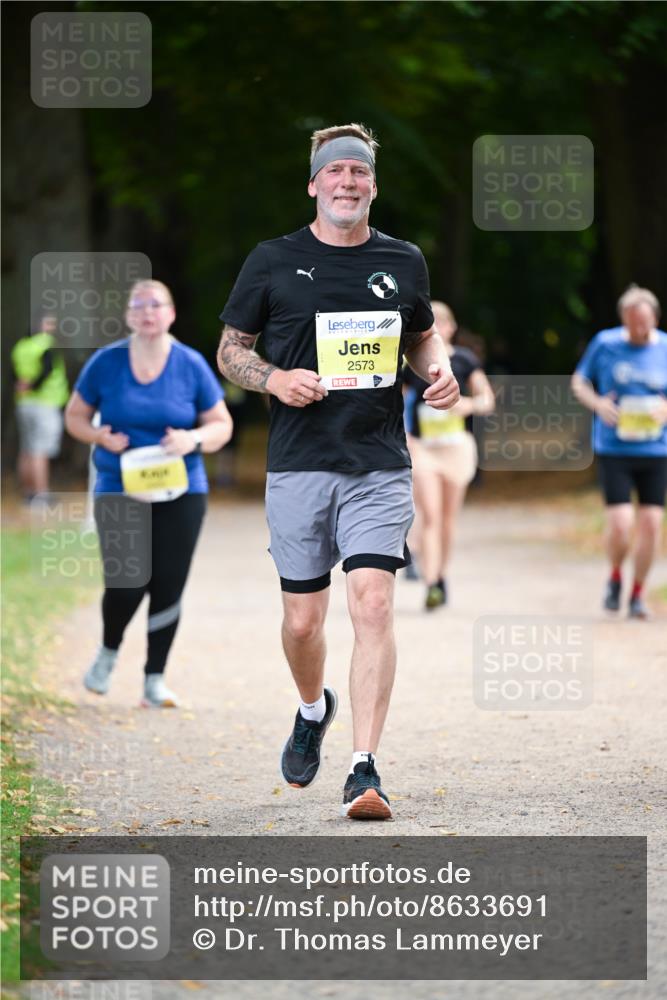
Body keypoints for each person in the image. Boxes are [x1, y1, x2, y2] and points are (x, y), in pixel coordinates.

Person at [217, 123, 459, 820]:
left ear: (372, 186)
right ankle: (309, 706)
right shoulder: (272, 259)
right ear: (314, 184)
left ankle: (364, 768)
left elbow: (419, 335)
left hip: (377, 461)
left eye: (359, 173)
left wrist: (436, 373)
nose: (348, 183)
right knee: (301, 623)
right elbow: (231, 349)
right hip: (298, 463)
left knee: (374, 604)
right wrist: (272, 379)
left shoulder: (403, 260)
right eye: (336, 173)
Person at [65, 280, 233, 706]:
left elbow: (221, 425)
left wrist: (192, 439)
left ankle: (154, 680)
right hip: (119, 486)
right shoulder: (106, 362)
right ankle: (108, 650)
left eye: (155, 305)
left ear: (171, 313)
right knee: (125, 582)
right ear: (128, 316)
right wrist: (99, 436)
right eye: (138, 306)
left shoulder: (190, 364)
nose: (147, 312)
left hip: (181, 488)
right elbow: (75, 418)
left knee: (169, 584)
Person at [571, 285, 667, 619]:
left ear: (654, 317)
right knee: (622, 524)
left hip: (656, 449)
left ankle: (638, 593)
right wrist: (598, 404)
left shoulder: (665, 346)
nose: (637, 330)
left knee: (653, 524)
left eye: (643, 323)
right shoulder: (606, 343)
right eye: (631, 323)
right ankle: (615, 575)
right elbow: (579, 382)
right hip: (615, 448)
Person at [403, 301, 494, 609]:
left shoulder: (466, 361)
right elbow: (399, 406)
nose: (438, 329)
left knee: (447, 519)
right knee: (429, 515)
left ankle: (441, 574)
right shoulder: (413, 363)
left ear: (452, 328)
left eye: (443, 324)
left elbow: (486, 399)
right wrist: (406, 439)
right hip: (424, 449)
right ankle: (430, 583)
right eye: (433, 324)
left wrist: (467, 405)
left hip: (457, 448)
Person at [12, 315, 69, 501]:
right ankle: (41, 495)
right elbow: (47, 370)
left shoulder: (21, 346)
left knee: (27, 449)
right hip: (45, 403)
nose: (52, 327)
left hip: (23, 403)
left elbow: (15, 374)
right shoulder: (47, 344)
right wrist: (34, 385)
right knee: (40, 450)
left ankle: (28, 493)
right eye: (49, 322)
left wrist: (24, 386)